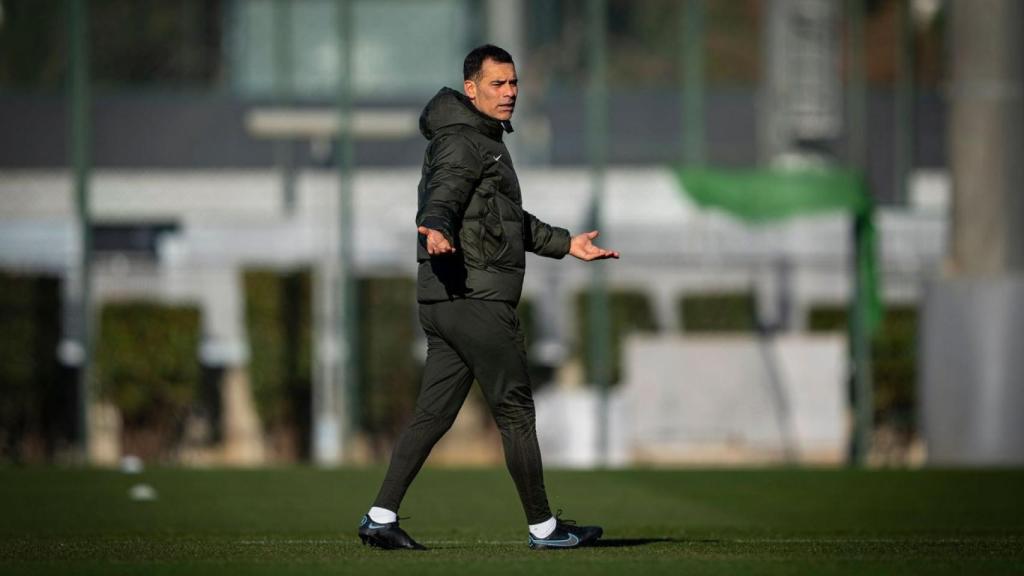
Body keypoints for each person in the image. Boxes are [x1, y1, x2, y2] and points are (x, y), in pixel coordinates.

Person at [358, 44, 619, 551]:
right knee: (516, 412)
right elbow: (445, 194)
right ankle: (545, 529)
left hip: (444, 300)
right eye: (498, 84)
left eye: (514, 83)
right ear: (471, 88)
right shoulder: (464, 142)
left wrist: (567, 244)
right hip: (475, 299)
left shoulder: (481, 140)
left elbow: (507, 223)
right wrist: (434, 224)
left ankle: (380, 517)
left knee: (433, 415)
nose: (510, 93)